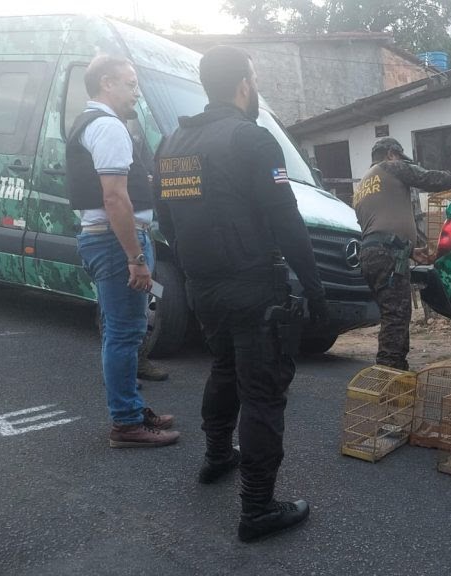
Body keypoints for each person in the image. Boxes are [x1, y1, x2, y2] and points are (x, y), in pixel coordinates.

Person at [153, 45, 329, 542]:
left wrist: (193, 268)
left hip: (203, 287)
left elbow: (166, 220)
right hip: (252, 287)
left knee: (224, 369)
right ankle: (257, 508)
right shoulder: (251, 138)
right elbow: (286, 220)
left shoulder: (172, 143)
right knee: (262, 392)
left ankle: (216, 456)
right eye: (254, 79)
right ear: (244, 84)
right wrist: (315, 289)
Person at [67, 55, 178, 448]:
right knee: (124, 333)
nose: (136, 92)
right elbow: (114, 198)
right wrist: (136, 257)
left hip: (105, 240)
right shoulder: (108, 126)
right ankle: (127, 423)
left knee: (123, 331)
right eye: (130, 84)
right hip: (116, 244)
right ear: (107, 83)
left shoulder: (88, 122)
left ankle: (131, 408)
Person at [353, 138, 451, 370]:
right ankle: (389, 371)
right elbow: (426, 178)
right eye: (399, 157)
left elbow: (377, 226)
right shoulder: (389, 167)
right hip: (387, 254)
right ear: (391, 154)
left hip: (371, 253)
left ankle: (395, 367)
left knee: (393, 312)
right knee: (396, 315)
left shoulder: (363, 186)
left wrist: (410, 251)